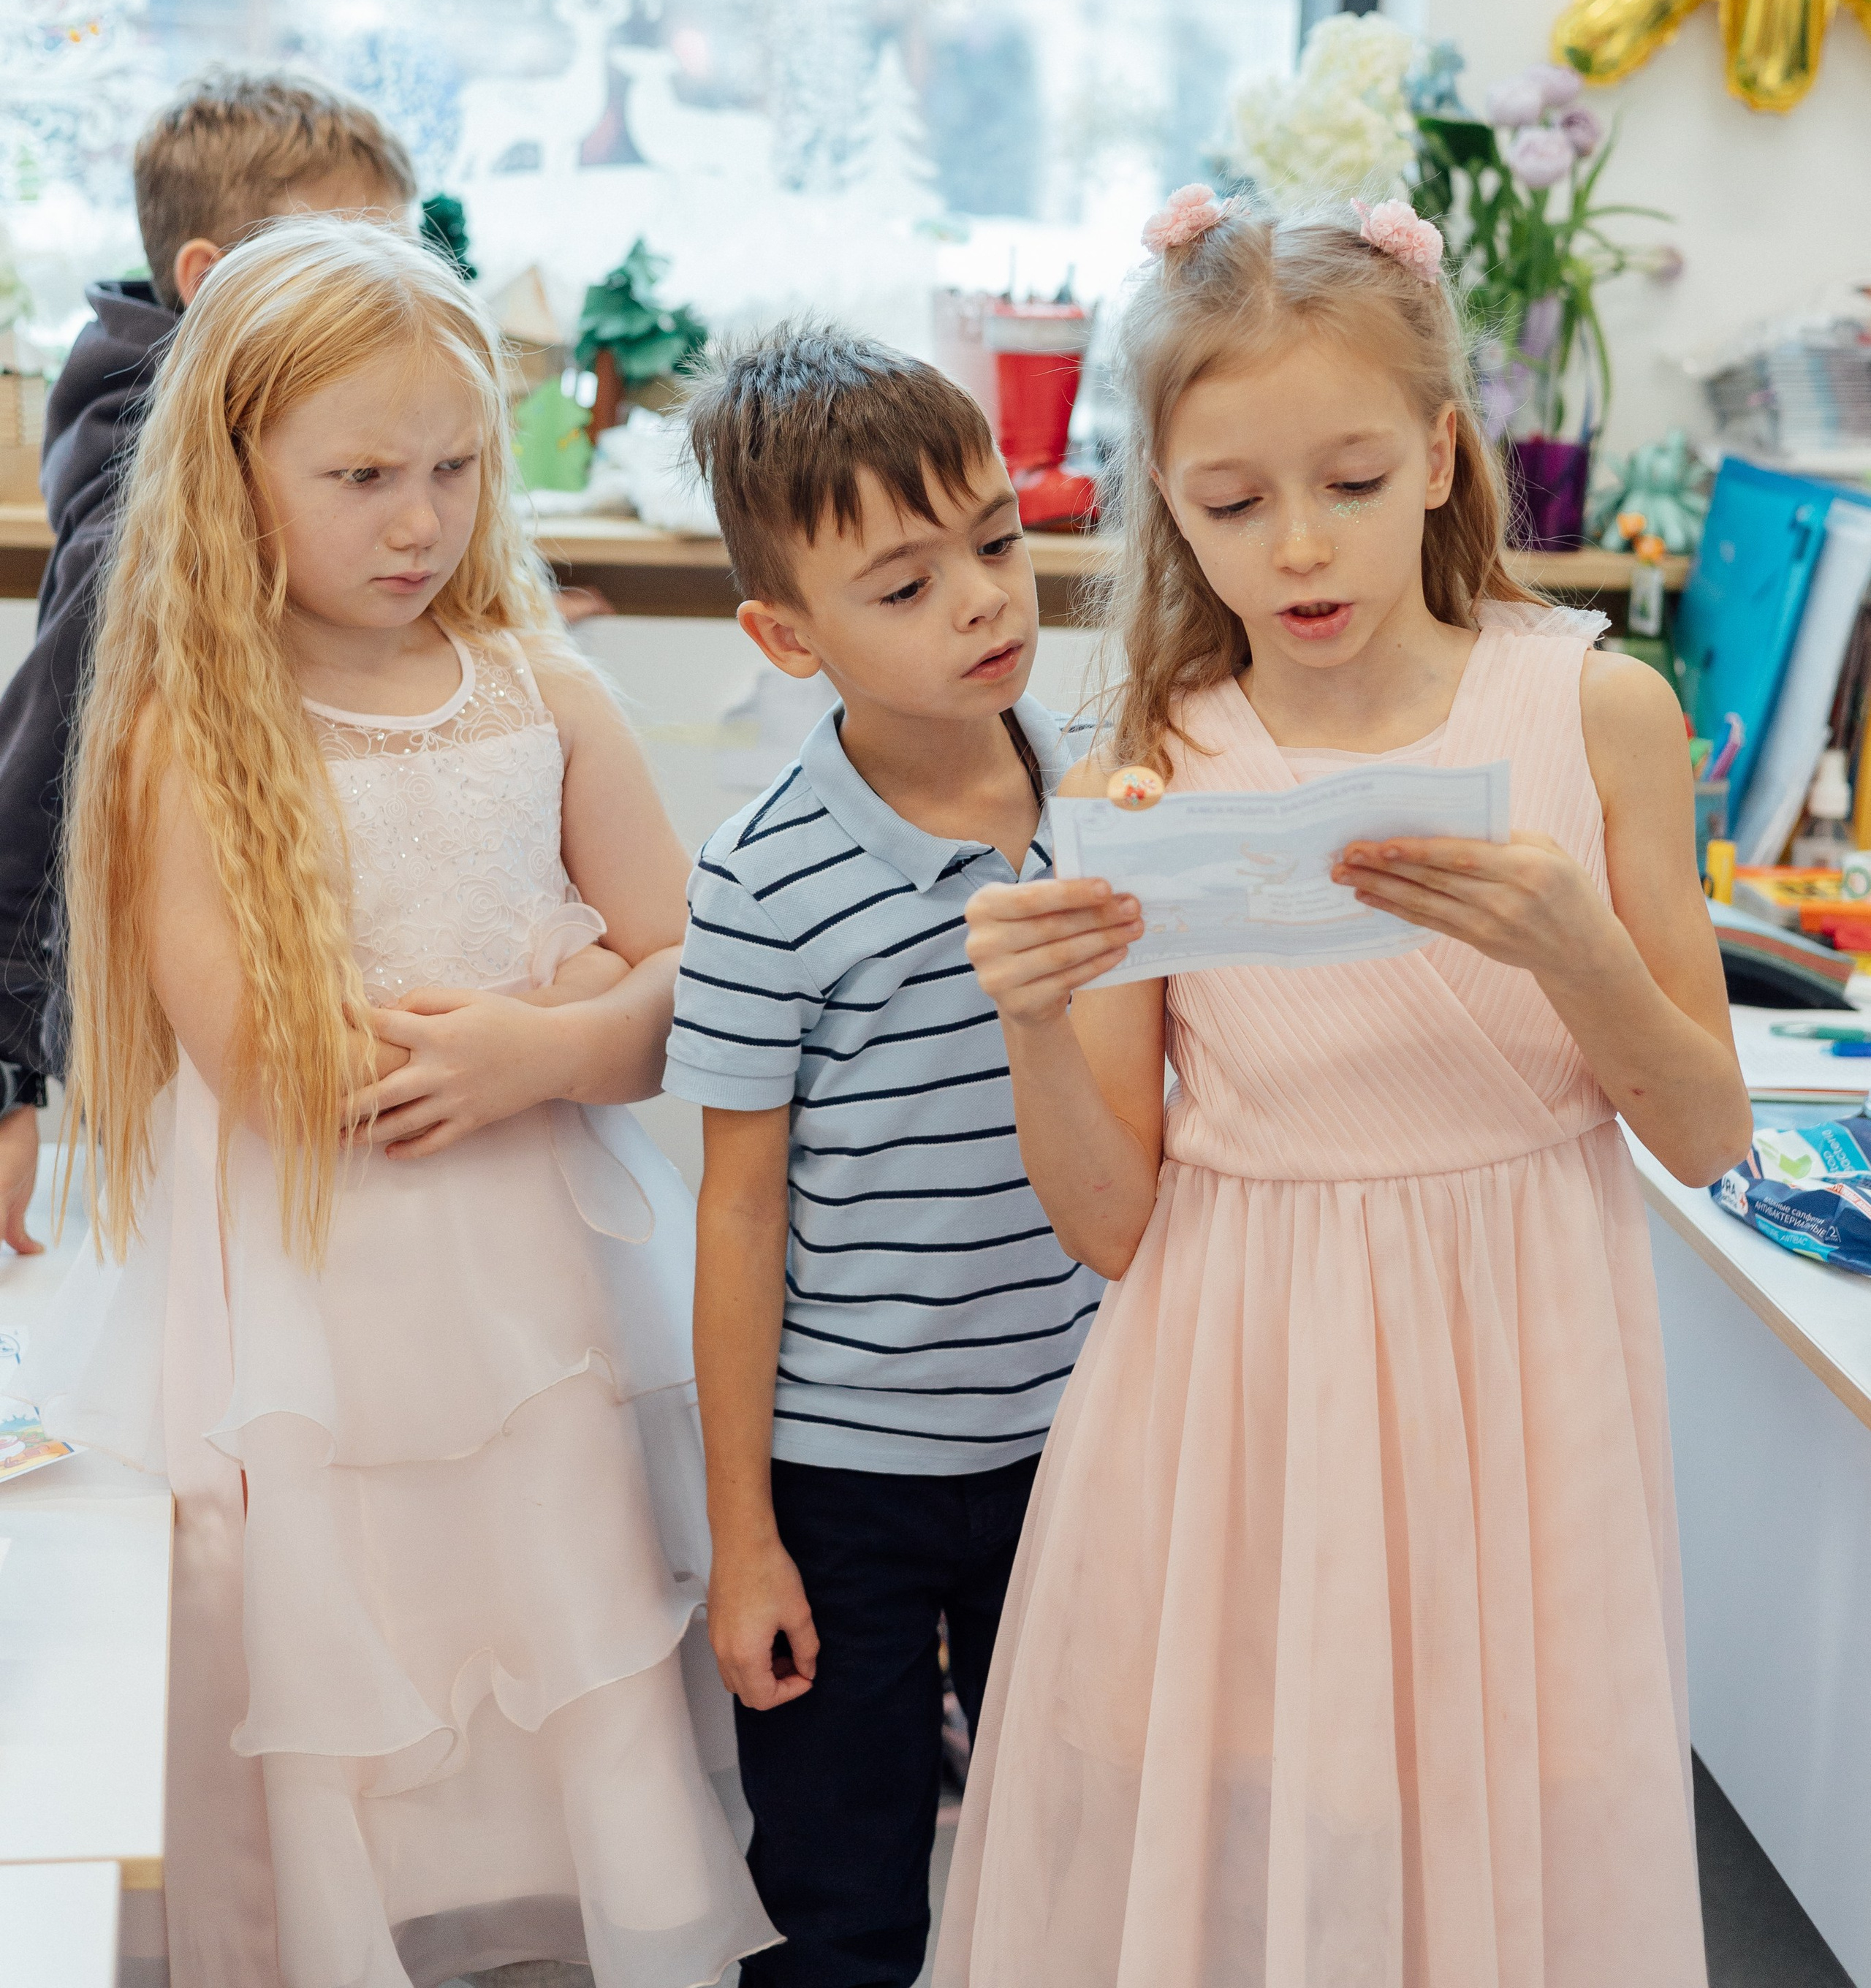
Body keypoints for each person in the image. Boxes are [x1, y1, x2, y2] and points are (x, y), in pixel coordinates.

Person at [937, 191, 1752, 1988]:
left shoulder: (1594, 716)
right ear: (1166, 501)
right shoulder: (1150, 771)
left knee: (1497, 1842)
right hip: (1237, 1386)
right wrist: (1029, 1019)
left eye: (1354, 483)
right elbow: (1109, 1225)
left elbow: (1707, 1137)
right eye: (1230, 505)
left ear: (1439, 457)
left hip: (1515, 1374)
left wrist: (1575, 950)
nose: (1298, 549)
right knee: (1252, 1852)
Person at [11, 219, 775, 1988]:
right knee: (344, 1634)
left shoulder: (547, 694)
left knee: (548, 1603)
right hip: (306, 1313)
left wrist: (550, 1049)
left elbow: (692, 979)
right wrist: (561, 1003)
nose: (419, 522)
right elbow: (274, 1067)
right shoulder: (190, 733)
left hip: (539, 1310)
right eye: (361, 477)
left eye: (452, 469)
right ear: (235, 475)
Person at [667, 327, 1102, 1988]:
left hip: (1070, 1434)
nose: (984, 602)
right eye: (907, 586)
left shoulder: (1110, 799)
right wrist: (745, 1541)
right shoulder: (760, 880)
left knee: (1077, 1849)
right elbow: (737, 1214)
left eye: (995, 543)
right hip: (842, 1477)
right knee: (842, 1899)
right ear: (788, 637)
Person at [0, 66, 418, 1259]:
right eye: (342, 262)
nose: (386, 299)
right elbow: (35, 781)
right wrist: (7, 1079)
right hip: (203, 1017)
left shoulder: (256, 423)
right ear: (207, 277)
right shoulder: (152, 514)